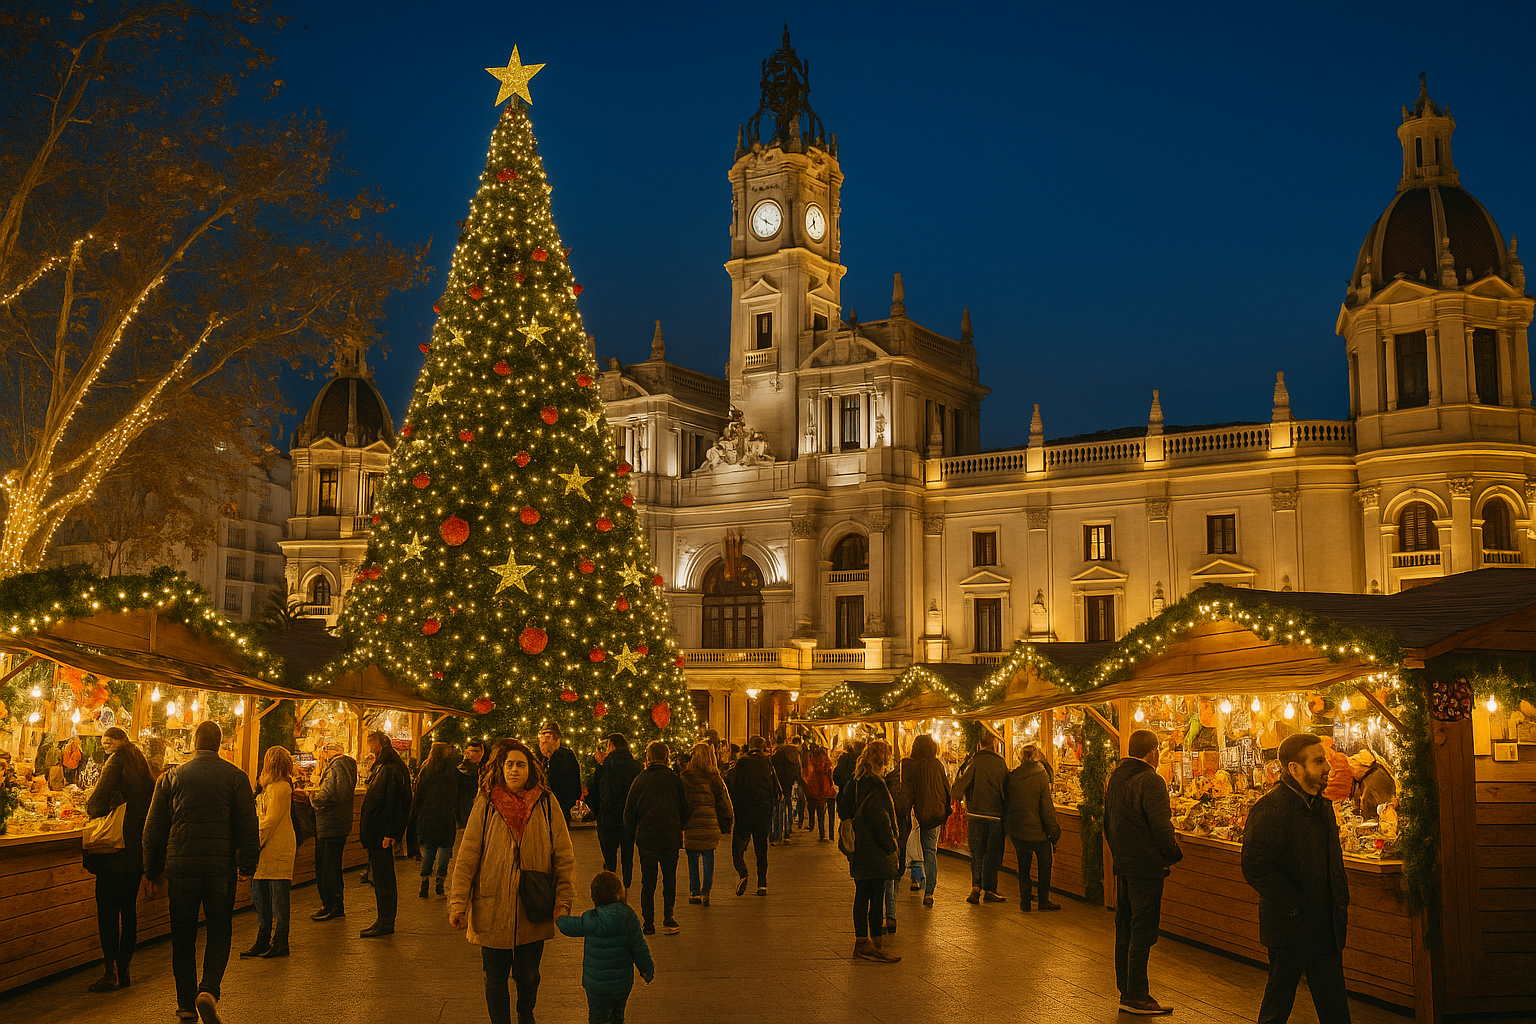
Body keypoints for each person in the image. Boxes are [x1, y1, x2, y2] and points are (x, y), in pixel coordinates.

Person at [450, 738, 577, 1024]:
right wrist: (458, 902)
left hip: (533, 906)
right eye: (510, 765)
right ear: (501, 768)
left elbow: (564, 855)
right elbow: (468, 853)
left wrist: (563, 901)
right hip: (491, 906)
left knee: (528, 976)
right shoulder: (486, 802)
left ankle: (525, 1014)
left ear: (530, 769)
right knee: (494, 978)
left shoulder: (546, 803)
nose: (515, 770)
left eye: (521, 764)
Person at [143, 720, 259, 1024]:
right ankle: (208, 990)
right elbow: (248, 824)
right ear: (219, 743)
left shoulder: (171, 778)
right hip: (220, 869)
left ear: (195, 742)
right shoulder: (236, 777)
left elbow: (153, 828)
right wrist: (247, 864)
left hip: (181, 867)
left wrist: (152, 870)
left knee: (183, 935)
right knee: (220, 929)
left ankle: (185, 1004)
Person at [1242, 733, 1352, 1024]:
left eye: (1325, 760)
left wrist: (1339, 900)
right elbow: (1255, 865)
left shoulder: (1322, 806)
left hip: (1325, 921)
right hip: (1290, 926)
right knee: (1279, 1000)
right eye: (1318, 762)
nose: (1327, 768)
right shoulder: (1270, 809)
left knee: (1334, 1005)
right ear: (1295, 769)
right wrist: (1293, 905)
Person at [1104, 728, 1183, 1016]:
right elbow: (1161, 826)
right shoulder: (1151, 780)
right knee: (1143, 930)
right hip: (1146, 867)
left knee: (1125, 926)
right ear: (1152, 751)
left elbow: (1107, 822)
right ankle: (1137, 994)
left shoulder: (1117, 777)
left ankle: (1126, 989)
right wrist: (1173, 853)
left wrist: (1119, 856)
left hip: (1124, 865)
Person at [83, 726, 154, 992]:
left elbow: (99, 798)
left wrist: (92, 809)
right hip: (135, 850)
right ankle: (125, 969)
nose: (106, 744)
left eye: (109, 740)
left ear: (120, 741)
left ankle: (110, 971)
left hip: (114, 850)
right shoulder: (140, 761)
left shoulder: (117, 761)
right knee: (129, 910)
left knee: (108, 912)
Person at [556, 871, 655, 1024]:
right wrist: (647, 969)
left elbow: (568, 927)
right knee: (617, 1016)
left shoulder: (591, 918)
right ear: (619, 892)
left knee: (598, 1018)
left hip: (596, 986)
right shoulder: (628, 916)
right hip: (622, 983)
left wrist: (560, 914)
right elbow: (639, 947)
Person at [838, 740, 901, 963]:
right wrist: (892, 845)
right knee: (876, 898)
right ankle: (875, 944)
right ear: (882, 760)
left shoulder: (854, 782)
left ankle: (861, 941)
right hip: (874, 848)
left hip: (858, 849)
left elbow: (843, 810)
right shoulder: (876, 785)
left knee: (861, 895)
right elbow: (881, 819)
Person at [623, 740, 690, 936]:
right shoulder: (674, 778)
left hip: (647, 837)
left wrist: (632, 832)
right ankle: (668, 917)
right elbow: (685, 806)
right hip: (670, 835)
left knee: (648, 880)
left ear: (648, 757)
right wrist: (679, 825)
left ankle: (648, 922)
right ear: (666, 757)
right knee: (669, 877)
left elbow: (629, 812)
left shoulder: (640, 780)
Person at [243, 745, 296, 960]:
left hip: (276, 847)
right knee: (260, 895)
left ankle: (280, 940)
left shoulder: (281, 788)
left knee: (278, 899)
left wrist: (255, 839)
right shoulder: (268, 788)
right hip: (267, 849)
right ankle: (263, 936)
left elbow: (270, 820)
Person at [358, 730, 412, 938]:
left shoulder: (390, 769)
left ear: (380, 744)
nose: (370, 749)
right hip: (378, 833)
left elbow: (395, 802)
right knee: (380, 878)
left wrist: (391, 832)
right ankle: (383, 920)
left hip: (382, 834)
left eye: (371, 744)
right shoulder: (386, 767)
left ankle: (386, 921)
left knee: (384, 878)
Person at [1004, 743, 1061, 912]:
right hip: (1038, 832)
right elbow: (1046, 807)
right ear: (1038, 756)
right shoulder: (1041, 775)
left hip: (1019, 830)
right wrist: (1054, 831)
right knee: (1045, 865)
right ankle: (1043, 899)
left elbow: (1009, 802)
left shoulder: (1013, 775)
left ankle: (1025, 901)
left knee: (1024, 866)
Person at [955, 732, 1009, 904]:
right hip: (995, 816)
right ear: (995, 745)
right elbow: (1007, 789)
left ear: (979, 745)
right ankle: (990, 889)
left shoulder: (974, 762)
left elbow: (958, 789)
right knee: (992, 853)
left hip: (975, 815)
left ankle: (976, 886)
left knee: (977, 852)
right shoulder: (1001, 763)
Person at [725, 735, 781, 896]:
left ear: (749, 746)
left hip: (745, 811)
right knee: (761, 848)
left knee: (738, 848)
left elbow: (733, 784)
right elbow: (774, 787)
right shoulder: (767, 763)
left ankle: (743, 873)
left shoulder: (742, 763)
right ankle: (762, 884)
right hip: (762, 812)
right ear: (763, 747)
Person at [681, 741, 734, 906]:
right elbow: (723, 799)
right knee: (708, 855)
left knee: (692, 857)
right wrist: (727, 819)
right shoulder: (714, 776)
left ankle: (694, 891)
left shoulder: (686, 776)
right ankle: (706, 891)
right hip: (710, 820)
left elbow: (681, 800)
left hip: (692, 821)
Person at [901, 733, 951, 908]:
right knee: (930, 853)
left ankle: (912, 879)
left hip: (917, 813)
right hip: (934, 815)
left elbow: (908, 790)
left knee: (909, 847)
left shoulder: (911, 766)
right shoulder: (937, 765)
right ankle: (929, 891)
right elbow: (946, 788)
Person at [309, 740, 356, 921]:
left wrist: (313, 797)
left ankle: (333, 905)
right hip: (336, 824)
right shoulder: (344, 765)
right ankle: (330, 904)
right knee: (330, 865)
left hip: (331, 824)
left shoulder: (337, 766)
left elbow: (331, 792)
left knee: (328, 866)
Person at [588, 733, 641, 888]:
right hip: (627, 817)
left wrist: (597, 811)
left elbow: (595, 790)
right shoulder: (635, 766)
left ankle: (612, 882)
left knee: (609, 854)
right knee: (627, 852)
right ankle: (627, 882)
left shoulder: (604, 765)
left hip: (608, 816)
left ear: (612, 745)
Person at [412, 742, 461, 898]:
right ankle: (440, 882)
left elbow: (419, 794)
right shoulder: (451, 770)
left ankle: (424, 883)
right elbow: (456, 793)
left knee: (429, 850)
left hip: (428, 815)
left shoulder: (426, 770)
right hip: (445, 815)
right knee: (445, 850)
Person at [538, 723, 583, 823]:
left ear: (556, 740)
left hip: (559, 808)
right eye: (541, 737)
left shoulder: (565, 758)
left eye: (548, 737)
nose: (544, 741)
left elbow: (567, 785)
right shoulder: (542, 760)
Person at [769, 734, 801, 844]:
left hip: (777, 786)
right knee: (788, 808)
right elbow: (798, 772)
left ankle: (775, 835)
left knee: (776, 810)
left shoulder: (775, 759)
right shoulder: (793, 760)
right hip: (789, 785)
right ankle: (787, 831)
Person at [801, 743, 836, 841]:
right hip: (826, 789)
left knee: (820, 813)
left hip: (815, 790)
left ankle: (821, 833)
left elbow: (805, 774)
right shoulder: (826, 763)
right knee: (829, 813)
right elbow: (830, 775)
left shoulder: (812, 763)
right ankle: (831, 834)